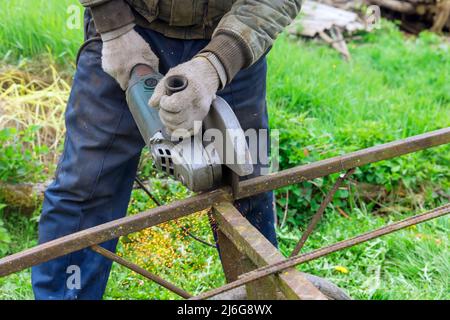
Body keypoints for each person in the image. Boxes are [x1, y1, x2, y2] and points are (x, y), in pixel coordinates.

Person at [31, 0, 302, 299]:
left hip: (233, 41)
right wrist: (113, 26)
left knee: (250, 188)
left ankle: (259, 298)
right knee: (85, 188)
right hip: (127, 30)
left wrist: (217, 64)